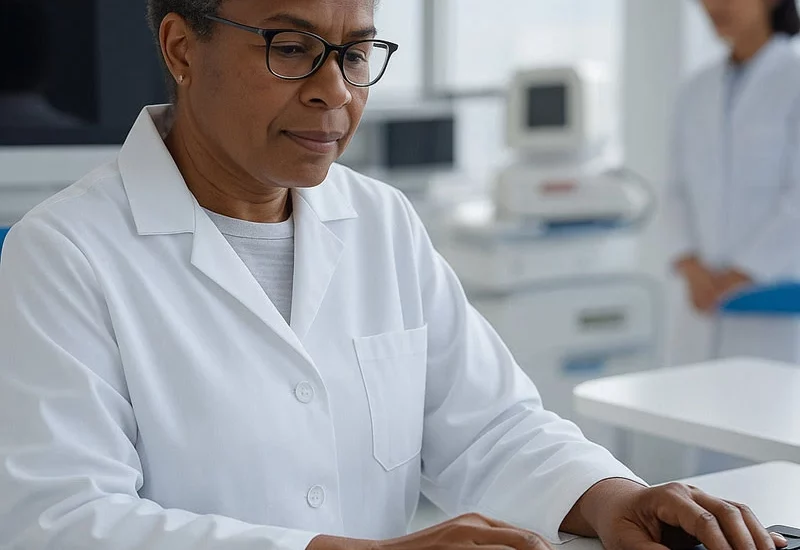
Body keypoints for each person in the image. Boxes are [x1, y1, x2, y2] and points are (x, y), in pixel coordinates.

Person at [0, 1, 788, 549]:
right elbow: (60, 523)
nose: (335, 91)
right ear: (181, 49)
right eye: (290, 48)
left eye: (354, 54)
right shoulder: (65, 253)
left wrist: (614, 498)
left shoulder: (381, 221)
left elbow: (490, 426)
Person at [667, 0, 800, 362]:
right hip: (701, 306)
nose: (714, 5)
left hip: (776, 304)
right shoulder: (695, 90)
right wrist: (690, 265)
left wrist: (740, 276)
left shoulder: (793, 80)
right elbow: (675, 190)